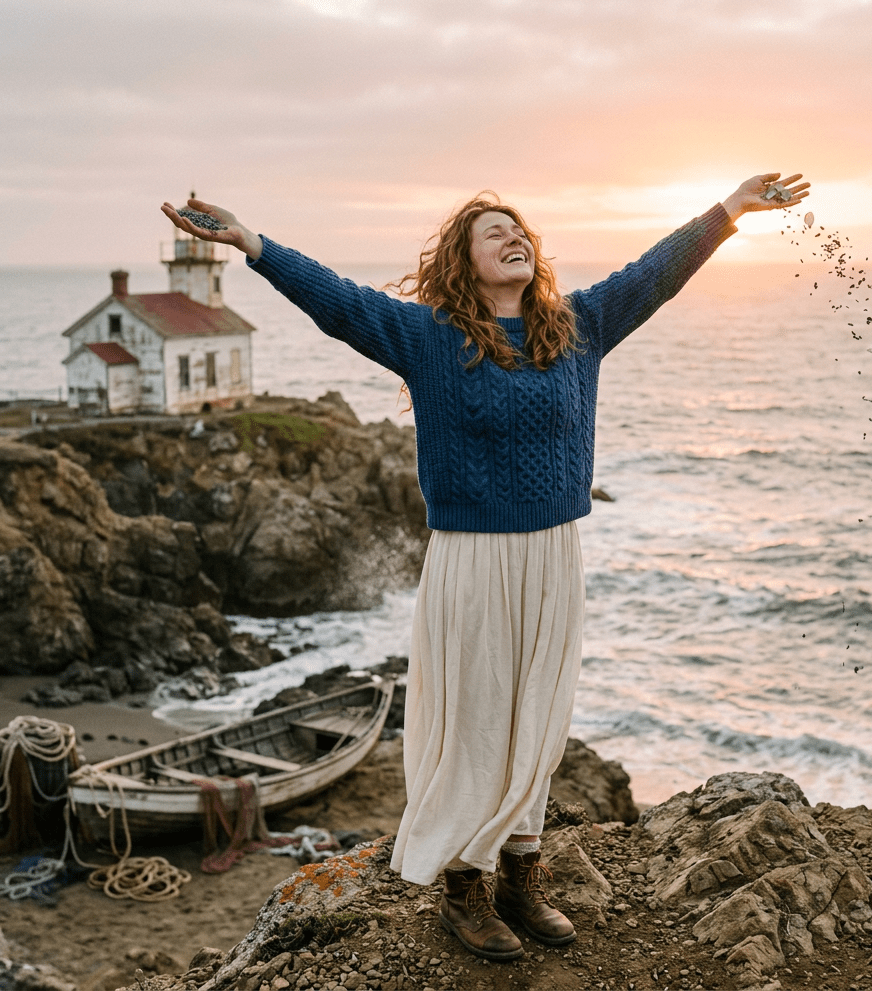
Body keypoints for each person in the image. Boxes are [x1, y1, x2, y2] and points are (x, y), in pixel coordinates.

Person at [160, 172, 809, 961]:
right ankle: (463, 886)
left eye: (521, 229)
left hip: (553, 553)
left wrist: (730, 210)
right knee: (476, 722)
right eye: (493, 231)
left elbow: (654, 274)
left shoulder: (577, 326)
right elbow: (337, 301)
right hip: (472, 557)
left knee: (538, 713)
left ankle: (520, 871)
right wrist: (251, 243)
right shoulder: (429, 337)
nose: (515, 238)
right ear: (464, 262)